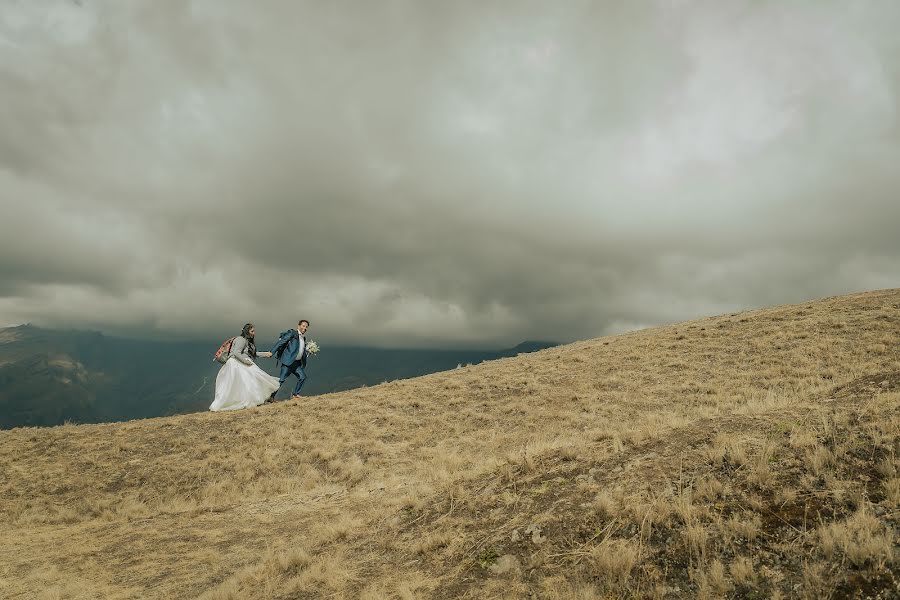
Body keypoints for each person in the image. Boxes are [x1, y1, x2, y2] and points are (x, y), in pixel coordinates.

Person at [210, 323, 279, 411]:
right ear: (247, 331)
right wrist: (246, 362)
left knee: (247, 383)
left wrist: (265, 354)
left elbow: (251, 354)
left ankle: (254, 399)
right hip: (236, 364)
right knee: (250, 381)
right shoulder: (241, 340)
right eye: (252, 331)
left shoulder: (245, 341)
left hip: (239, 363)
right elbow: (236, 353)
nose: (254, 333)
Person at [267, 319, 310, 402]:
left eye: (306, 327)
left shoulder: (304, 338)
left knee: (302, 377)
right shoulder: (292, 333)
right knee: (281, 380)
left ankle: (296, 395)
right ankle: (270, 397)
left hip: (296, 363)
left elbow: (300, 350)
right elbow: (281, 342)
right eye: (303, 326)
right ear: (299, 326)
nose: (305, 328)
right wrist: (272, 352)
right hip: (288, 361)